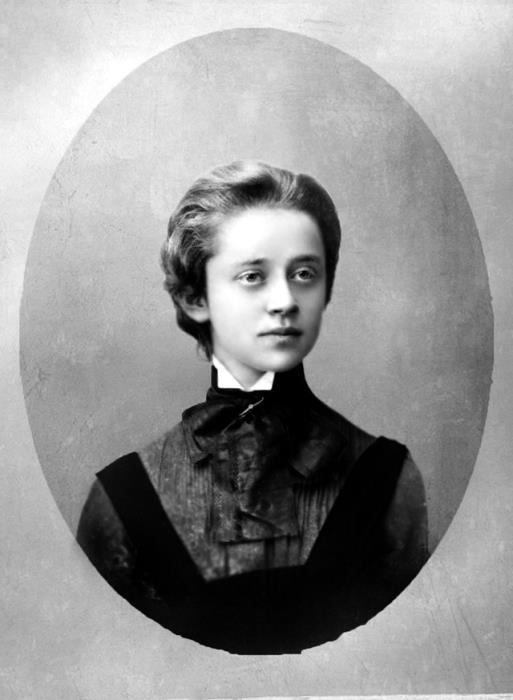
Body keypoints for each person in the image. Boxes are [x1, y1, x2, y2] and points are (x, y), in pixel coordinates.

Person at [77, 161, 429, 654]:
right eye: (252, 276)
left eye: (303, 273)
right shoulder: (122, 500)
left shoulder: (387, 481)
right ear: (195, 297)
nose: (285, 300)